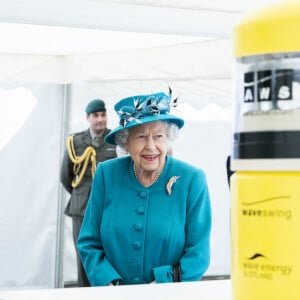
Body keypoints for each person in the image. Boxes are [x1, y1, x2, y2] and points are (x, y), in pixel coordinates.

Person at [77, 90, 212, 286]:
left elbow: (199, 253)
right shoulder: (106, 174)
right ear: (126, 142)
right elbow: (89, 242)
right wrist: (108, 283)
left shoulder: (192, 179)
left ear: (168, 139)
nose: (151, 146)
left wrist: (163, 283)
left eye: (158, 136)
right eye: (141, 137)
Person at [60, 98, 117, 287]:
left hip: (108, 209)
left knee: (108, 254)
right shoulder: (75, 141)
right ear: (87, 117)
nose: (100, 119)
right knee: (83, 258)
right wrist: (80, 195)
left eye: (103, 114)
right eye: (96, 115)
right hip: (81, 209)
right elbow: (66, 176)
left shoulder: (116, 140)